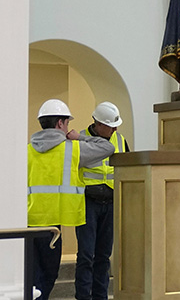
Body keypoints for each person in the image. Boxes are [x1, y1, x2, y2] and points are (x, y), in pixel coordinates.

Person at [28, 99, 113, 300]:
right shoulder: (73, 149)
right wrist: (78, 138)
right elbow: (106, 147)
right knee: (47, 276)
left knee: (31, 277)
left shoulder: (28, 150)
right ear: (60, 124)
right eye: (67, 123)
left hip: (28, 223)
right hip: (52, 228)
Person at [76, 101, 128, 300]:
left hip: (111, 203)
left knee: (104, 256)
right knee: (86, 256)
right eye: (110, 126)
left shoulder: (120, 140)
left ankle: (100, 297)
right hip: (87, 203)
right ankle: (83, 297)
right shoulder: (80, 139)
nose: (115, 129)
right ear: (97, 123)